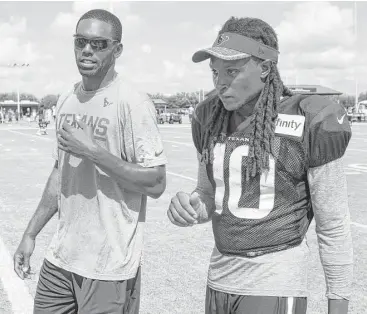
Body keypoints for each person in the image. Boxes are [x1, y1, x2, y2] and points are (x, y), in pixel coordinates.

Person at [168, 17, 353, 314]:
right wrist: (189, 206)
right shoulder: (208, 117)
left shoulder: (308, 119)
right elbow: (207, 195)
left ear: (265, 68)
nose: (221, 82)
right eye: (215, 72)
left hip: (274, 282)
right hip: (219, 278)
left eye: (232, 71)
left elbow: (333, 226)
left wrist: (339, 305)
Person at [13, 9, 167, 314]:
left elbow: (157, 182)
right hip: (62, 258)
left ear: (117, 50)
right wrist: (30, 233)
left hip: (109, 264)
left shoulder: (132, 103)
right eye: (80, 41)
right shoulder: (66, 99)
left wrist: (93, 152)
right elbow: (60, 173)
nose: (87, 49)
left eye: (98, 44)